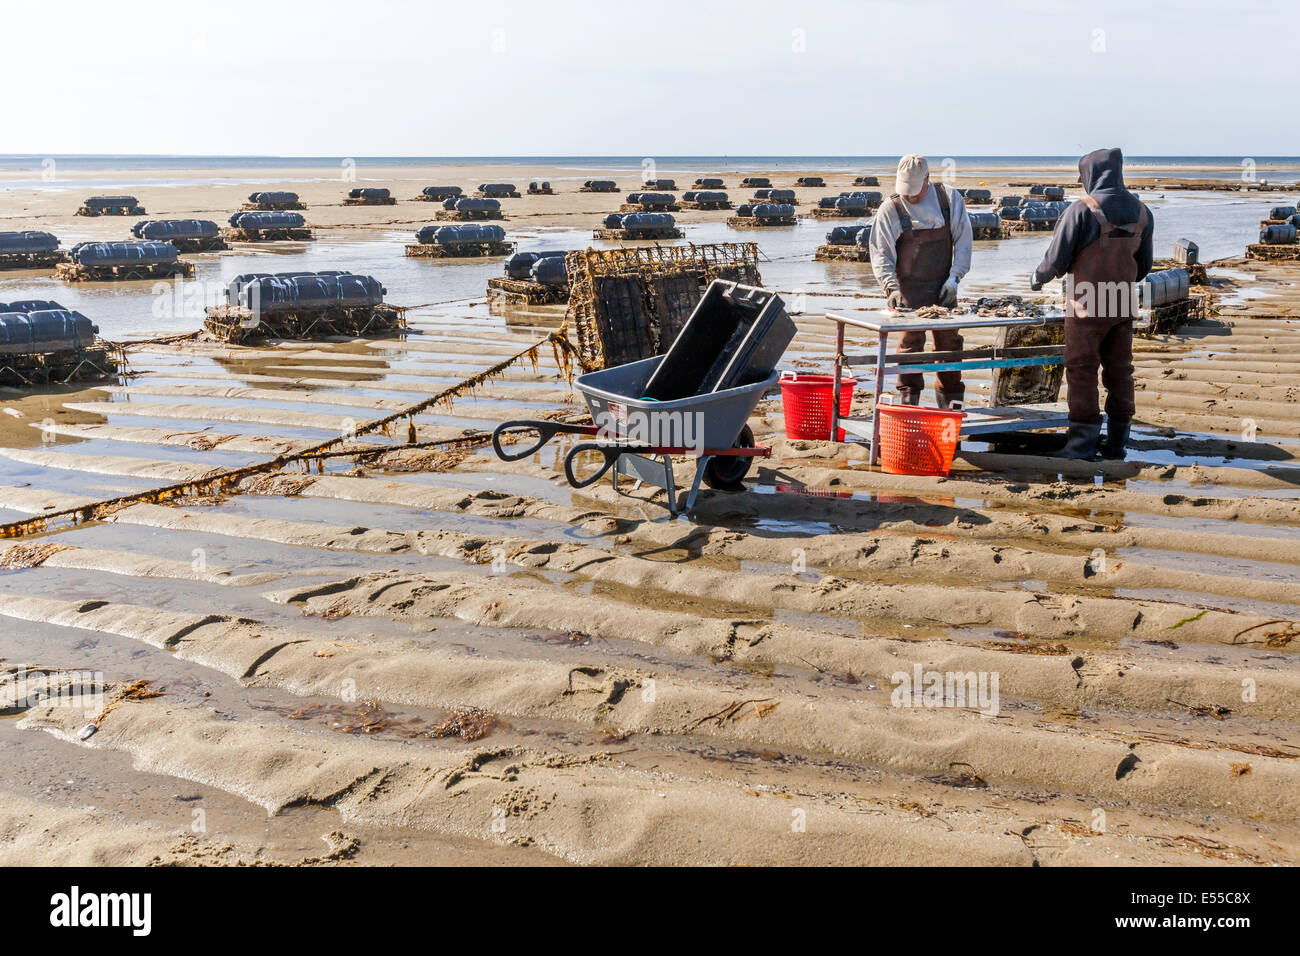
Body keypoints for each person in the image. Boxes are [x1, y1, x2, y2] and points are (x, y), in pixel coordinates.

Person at [1030, 147, 1154, 460]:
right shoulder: (1142, 213)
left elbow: (1056, 259)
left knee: (1082, 369)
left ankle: (1082, 445)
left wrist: (1038, 277)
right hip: (1123, 303)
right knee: (1120, 370)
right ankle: (1116, 443)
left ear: (1091, 175)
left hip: (1087, 305)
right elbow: (1145, 267)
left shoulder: (1082, 210)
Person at [869, 155, 974, 408]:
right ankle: (908, 408)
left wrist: (954, 278)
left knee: (949, 349)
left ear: (927, 180)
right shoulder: (890, 208)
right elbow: (881, 252)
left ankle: (950, 412)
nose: (910, 197)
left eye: (914, 192)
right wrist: (890, 287)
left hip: (944, 290)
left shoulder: (948, 199)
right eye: (905, 191)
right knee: (909, 350)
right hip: (908, 294)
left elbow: (963, 241)